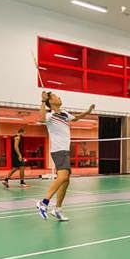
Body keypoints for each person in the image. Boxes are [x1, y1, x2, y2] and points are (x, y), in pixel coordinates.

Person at [36, 91, 95, 221]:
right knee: (62, 176)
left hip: (65, 151)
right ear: (51, 101)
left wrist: (88, 112)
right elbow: (40, 119)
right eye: (56, 96)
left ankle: (58, 209)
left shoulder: (64, 114)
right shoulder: (50, 115)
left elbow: (76, 118)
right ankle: (43, 203)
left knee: (66, 180)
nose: (59, 97)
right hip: (58, 151)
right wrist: (42, 101)